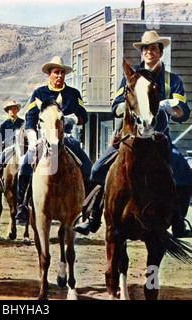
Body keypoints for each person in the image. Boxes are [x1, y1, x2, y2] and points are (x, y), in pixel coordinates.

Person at [73, 30, 192, 238]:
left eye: (153, 48)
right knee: (98, 169)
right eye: (145, 48)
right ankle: (92, 218)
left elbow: (183, 112)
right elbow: (115, 107)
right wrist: (127, 108)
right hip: (129, 139)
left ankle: (178, 221)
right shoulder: (131, 77)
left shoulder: (172, 81)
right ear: (142, 53)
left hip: (158, 138)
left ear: (160, 52)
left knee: (184, 172)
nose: (149, 52)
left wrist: (167, 107)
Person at [15, 56, 88, 225]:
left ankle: (86, 208)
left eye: (62, 72)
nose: (60, 76)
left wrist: (72, 120)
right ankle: (23, 207)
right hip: (43, 138)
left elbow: (84, 116)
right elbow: (30, 118)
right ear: (49, 74)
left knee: (87, 165)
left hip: (67, 138)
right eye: (56, 72)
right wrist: (33, 138)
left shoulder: (73, 94)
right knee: (25, 165)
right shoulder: (39, 93)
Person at [0, 100, 24, 190]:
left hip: (21, 148)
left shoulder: (22, 123)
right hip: (8, 148)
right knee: (0, 160)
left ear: (17, 110)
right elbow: (0, 139)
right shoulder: (4, 125)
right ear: (8, 111)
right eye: (11, 109)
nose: (13, 111)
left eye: (14, 109)